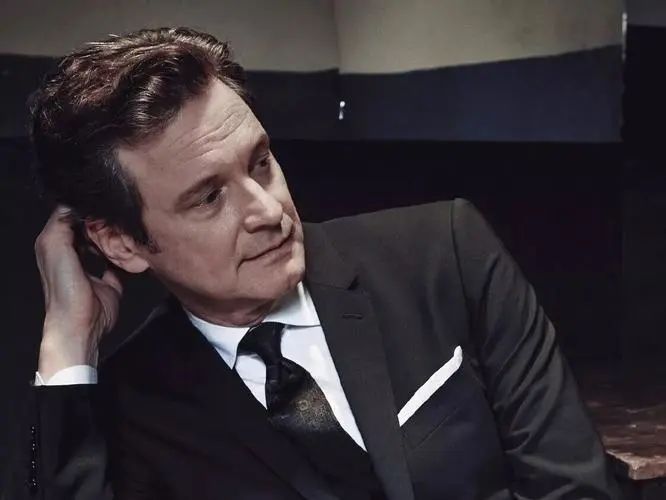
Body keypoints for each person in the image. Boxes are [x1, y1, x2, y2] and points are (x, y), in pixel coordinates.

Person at [3, 27, 620, 500]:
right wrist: (66, 347)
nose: (267, 209)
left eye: (261, 162)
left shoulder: (445, 254)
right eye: (209, 198)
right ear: (121, 243)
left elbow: (575, 488)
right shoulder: (129, 407)